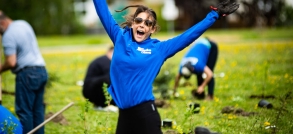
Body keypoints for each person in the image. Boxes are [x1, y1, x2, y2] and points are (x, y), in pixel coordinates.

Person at [92, 0, 239, 133]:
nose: (142, 25)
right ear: (133, 24)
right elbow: (102, 11)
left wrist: (214, 15)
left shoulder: (159, 49)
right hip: (124, 115)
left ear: (152, 29)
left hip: (145, 113)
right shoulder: (119, 37)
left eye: (148, 23)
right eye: (139, 20)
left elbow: (188, 36)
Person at [0, 10, 48, 134]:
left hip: (27, 74)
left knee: (25, 111)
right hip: (41, 71)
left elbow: (11, 62)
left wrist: (1, 68)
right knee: (37, 110)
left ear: (3, 22)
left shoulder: (8, 35)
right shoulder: (23, 24)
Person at [82, 46, 118, 112]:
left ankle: (107, 104)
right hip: (91, 91)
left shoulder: (104, 60)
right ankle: (102, 105)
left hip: (91, 90)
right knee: (110, 79)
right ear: (110, 52)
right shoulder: (105, 60)